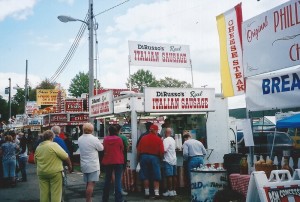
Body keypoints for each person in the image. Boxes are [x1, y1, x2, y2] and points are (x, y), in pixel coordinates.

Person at [34, 130, 72, 202]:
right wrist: (70, 165)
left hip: (42, 173)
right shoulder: (54, 145)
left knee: (44, 193)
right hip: (55, 172)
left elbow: (35, 160)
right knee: (56, 193)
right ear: (52, 137)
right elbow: (65, 156)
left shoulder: (38, 147)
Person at [78, 123, 104, 202]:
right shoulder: (94, 139)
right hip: (93, 164)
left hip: (84, 164)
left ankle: (88, 199)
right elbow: (101, 148)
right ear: (92, 130)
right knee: (91, 184)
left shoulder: (80, 139)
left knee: (87, 183)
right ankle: (88, 200)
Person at [137, 124, 164, 199]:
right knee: (156, 176)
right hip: (154, 158)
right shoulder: (158, 139)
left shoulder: (143, 138)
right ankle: (156, 193)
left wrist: (139, 159)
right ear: (155, 130)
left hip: (144, 157)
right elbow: (161, 152)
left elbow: (138, 150)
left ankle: (147, 193)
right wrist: (161, 159)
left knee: (145, 175)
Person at [102, 125, 126, 202]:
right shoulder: (119, 139)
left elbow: (104, 148)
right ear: (116, 131)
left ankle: (105, 198)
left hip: (108, 160)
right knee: (117, 181)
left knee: (107, 180)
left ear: (109, 131)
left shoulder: (105, 139)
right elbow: (122, 148)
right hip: (118, 161)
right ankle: (118, 199)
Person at [162, 128, 177, 197]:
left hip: (168, 159)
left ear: (165, 132)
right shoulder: (173, 140)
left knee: (169, 176)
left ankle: (169, 191)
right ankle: (174, 190)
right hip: (174, 159)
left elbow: (164, 150)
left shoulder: (166, 140)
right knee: (174, 175)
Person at [115, 124, 129, 195]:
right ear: (120, 130)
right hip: (122, 158)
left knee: (113, 174)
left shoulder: (108, 137)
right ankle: (119, 189)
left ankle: (115, 189)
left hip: (112, 158)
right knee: (120, 174)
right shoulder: (123, 137)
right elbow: (127, 148)